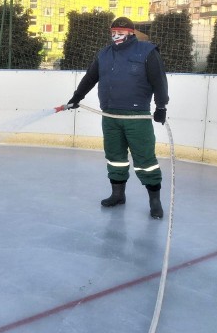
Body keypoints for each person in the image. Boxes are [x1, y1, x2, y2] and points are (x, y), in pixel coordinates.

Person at [67, 16, 169, 219]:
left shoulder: (146, 51)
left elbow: (159, 80)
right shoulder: (104, 54)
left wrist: (161, 106)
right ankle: (118, 194)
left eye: (121, 33)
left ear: (131, 33)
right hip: (110, 115)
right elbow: (90, 77)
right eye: (113, 32)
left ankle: (155, 201)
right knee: (115, 158)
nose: (116, 36)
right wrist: (76, 97)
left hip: (137, 116)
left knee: (145, 160)